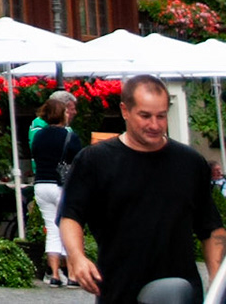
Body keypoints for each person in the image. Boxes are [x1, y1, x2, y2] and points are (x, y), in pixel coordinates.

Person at [59, 74, 225, 304]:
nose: (155, 125)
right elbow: (70, 216)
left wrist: (217, 283)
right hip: (119, 292)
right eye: (145, 116)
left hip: (180, 293)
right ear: (125, 111)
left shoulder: (190, 162)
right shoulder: (94, 160)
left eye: (161, 116)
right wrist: (77, 257)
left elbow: (211, 227)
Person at [32, 91, 84, 288]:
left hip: (41, 185)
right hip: (61, 186)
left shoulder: (38, 135)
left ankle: (54, 275)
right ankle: (72, 275)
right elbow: (79, 160)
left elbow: (35, 155)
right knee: (69, 228)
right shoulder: (69, 136)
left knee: (52, 230)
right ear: (62, 114)